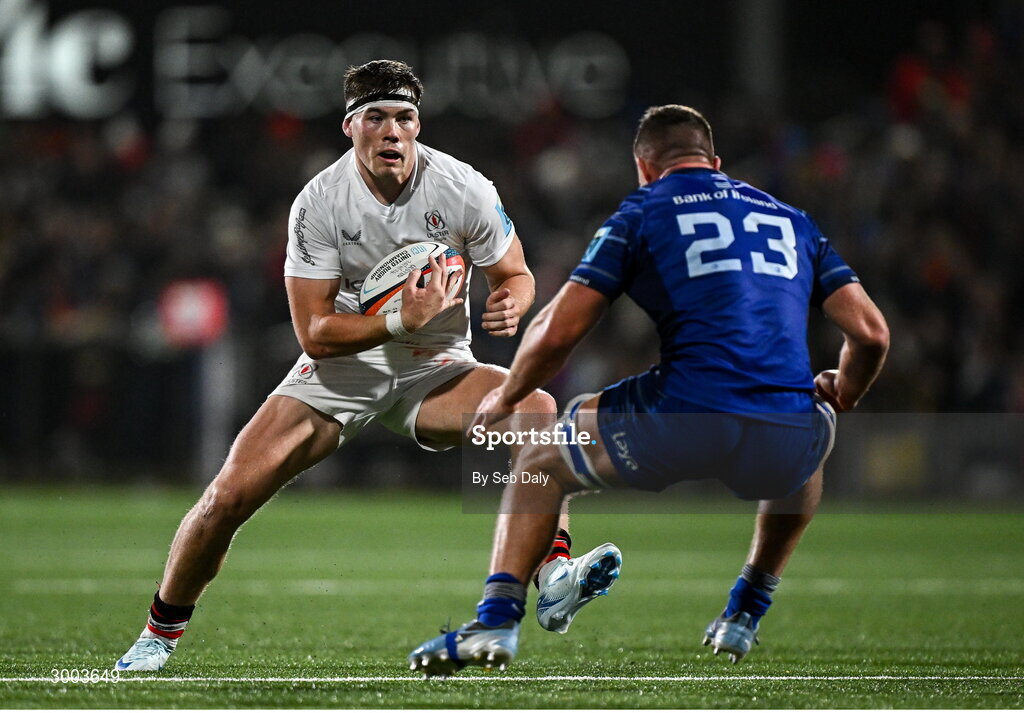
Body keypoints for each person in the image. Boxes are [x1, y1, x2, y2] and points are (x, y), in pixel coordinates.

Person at [114, 60, 619, 672]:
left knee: (537, 413)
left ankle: (555, 572)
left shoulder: (463, 187)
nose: (391, 132)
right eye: (375, 118)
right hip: (342, 369)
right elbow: (316, 333)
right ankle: (159, 632)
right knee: (226, 498)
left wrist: (514, 296)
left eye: (404, 118)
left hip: (436, 367)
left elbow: (514, 270)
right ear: (350, 127)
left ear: (417, 125)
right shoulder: (319, 203)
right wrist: (399, 321)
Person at [408, 105, 889, 675]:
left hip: (685, 415)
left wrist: (509, 395)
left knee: (540, 454)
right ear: (715, 163)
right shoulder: (793, 220)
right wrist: (847, 389)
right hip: (779, 430)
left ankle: (495, 621)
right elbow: (871, 333)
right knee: (812, 427)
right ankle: (744, 612)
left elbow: (559, 331)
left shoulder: (644, 210)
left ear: (644, 167)